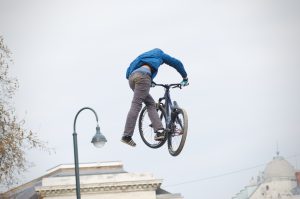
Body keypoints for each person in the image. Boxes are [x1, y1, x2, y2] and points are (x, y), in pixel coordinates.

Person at [121, 48, 189, 147]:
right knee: (136, 105)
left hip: (132, 79)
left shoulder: (142, 56)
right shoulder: (160, 54)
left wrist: (149, 81)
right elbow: (176, 63)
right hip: (144, 77)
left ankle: (158, 129)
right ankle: (128, 135)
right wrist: (185, 77)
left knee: (150, 103)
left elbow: (128, 73)